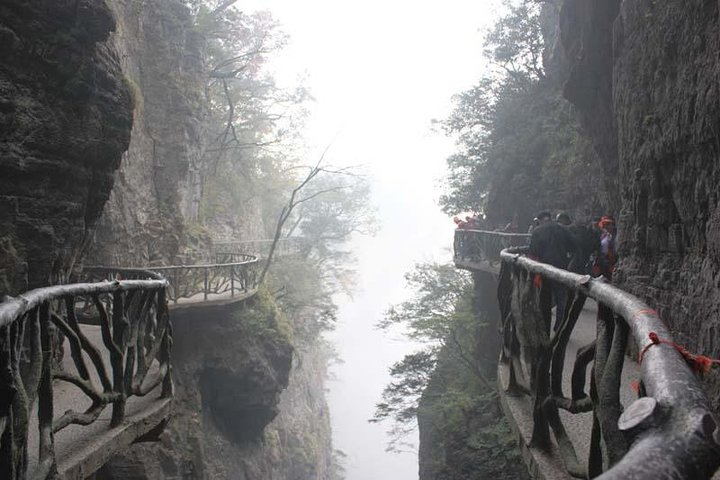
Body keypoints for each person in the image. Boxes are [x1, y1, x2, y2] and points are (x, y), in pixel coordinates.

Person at [528, 211, 580, 333]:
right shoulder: (563, 229)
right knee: (561, 299)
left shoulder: (537, 231)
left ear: (540, 220)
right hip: (560, 270)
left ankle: (544, 328)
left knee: (544, 300)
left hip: (543, 270)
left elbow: (532, 254)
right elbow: (574, 247)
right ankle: (559, 328)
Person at [593, 215, 617, 280]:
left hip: (611, 261)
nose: (606, 226)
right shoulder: (603, 236)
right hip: (602, 260)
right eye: (605, 224)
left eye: (609, 224)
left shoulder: (616, 237)